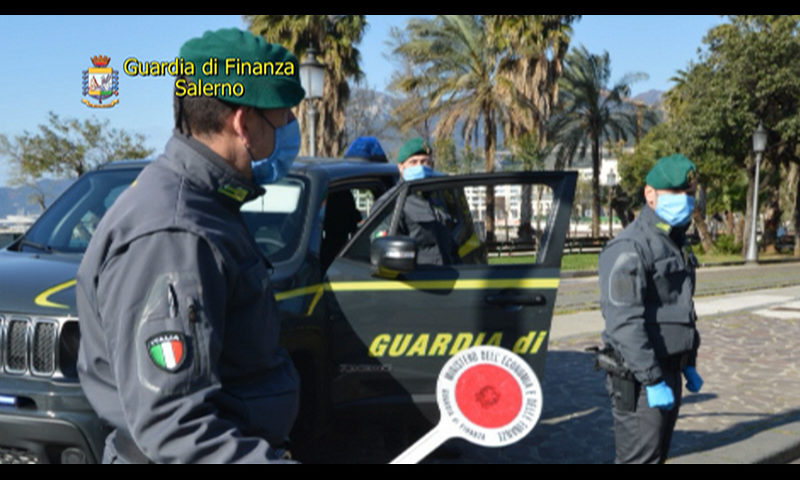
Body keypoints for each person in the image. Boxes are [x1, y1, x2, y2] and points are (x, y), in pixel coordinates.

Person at [76, 28, 305, 463]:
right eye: (282, 119)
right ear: (242, 122)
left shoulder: (209, 206)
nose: (290, 132)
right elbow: (176, 425)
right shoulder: (176, 232)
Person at [597, 153, 704, 464]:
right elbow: (623, 323)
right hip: (641, 378)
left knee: (657, 456)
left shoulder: (672, 241)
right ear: (650, 195)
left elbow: (678, 308)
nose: (684, 201)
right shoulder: (630, 247)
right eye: (675, 194)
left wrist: (688, 362)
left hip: (668, 369)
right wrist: (653, 379)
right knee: (640, 460)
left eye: (689, 195)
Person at [370, 137, 461, 265]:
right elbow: (383, 249)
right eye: (413, 162)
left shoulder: (436, 201)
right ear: (401, 168)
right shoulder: (391, 203)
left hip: (446, 276)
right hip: (415, 278)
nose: (420, 167)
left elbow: (450, 246)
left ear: (432, 166)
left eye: (425, 162)